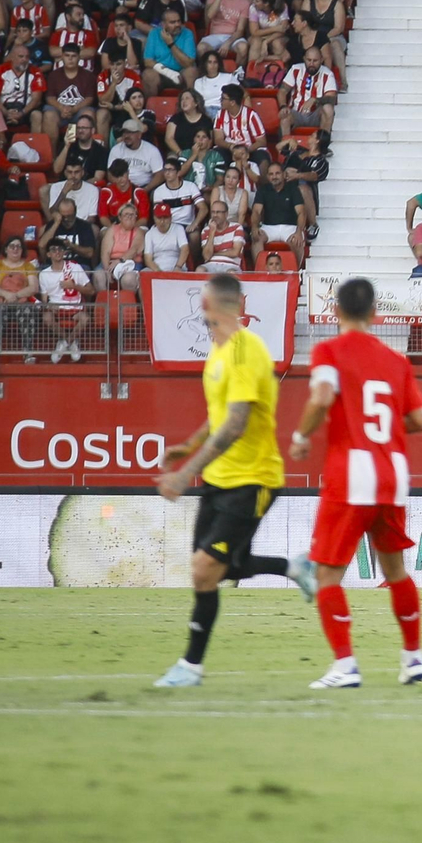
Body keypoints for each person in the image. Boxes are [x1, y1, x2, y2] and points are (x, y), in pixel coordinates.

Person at [152, 274, 315, 687]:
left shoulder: (246, 351)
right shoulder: (218, 352)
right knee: (218, 570)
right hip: (219, 478)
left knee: (205, 569)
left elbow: (236, 425)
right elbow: (219, 416)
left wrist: (184, 474)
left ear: (207, 304)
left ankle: (190, 667)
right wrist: (187, 446)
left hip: (253, 479)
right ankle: (292, 567)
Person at [287, 278, 422, 690]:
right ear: (374, 315)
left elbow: (322, 394)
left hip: (351, 475)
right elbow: (420, 420)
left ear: (336, 313)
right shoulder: (397, 361)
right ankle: (413, 657)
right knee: (396, 571)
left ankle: (345, 665)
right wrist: (383, 433)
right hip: (393, 472)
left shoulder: (329, 350)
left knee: (329, 576)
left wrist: (300, 437)